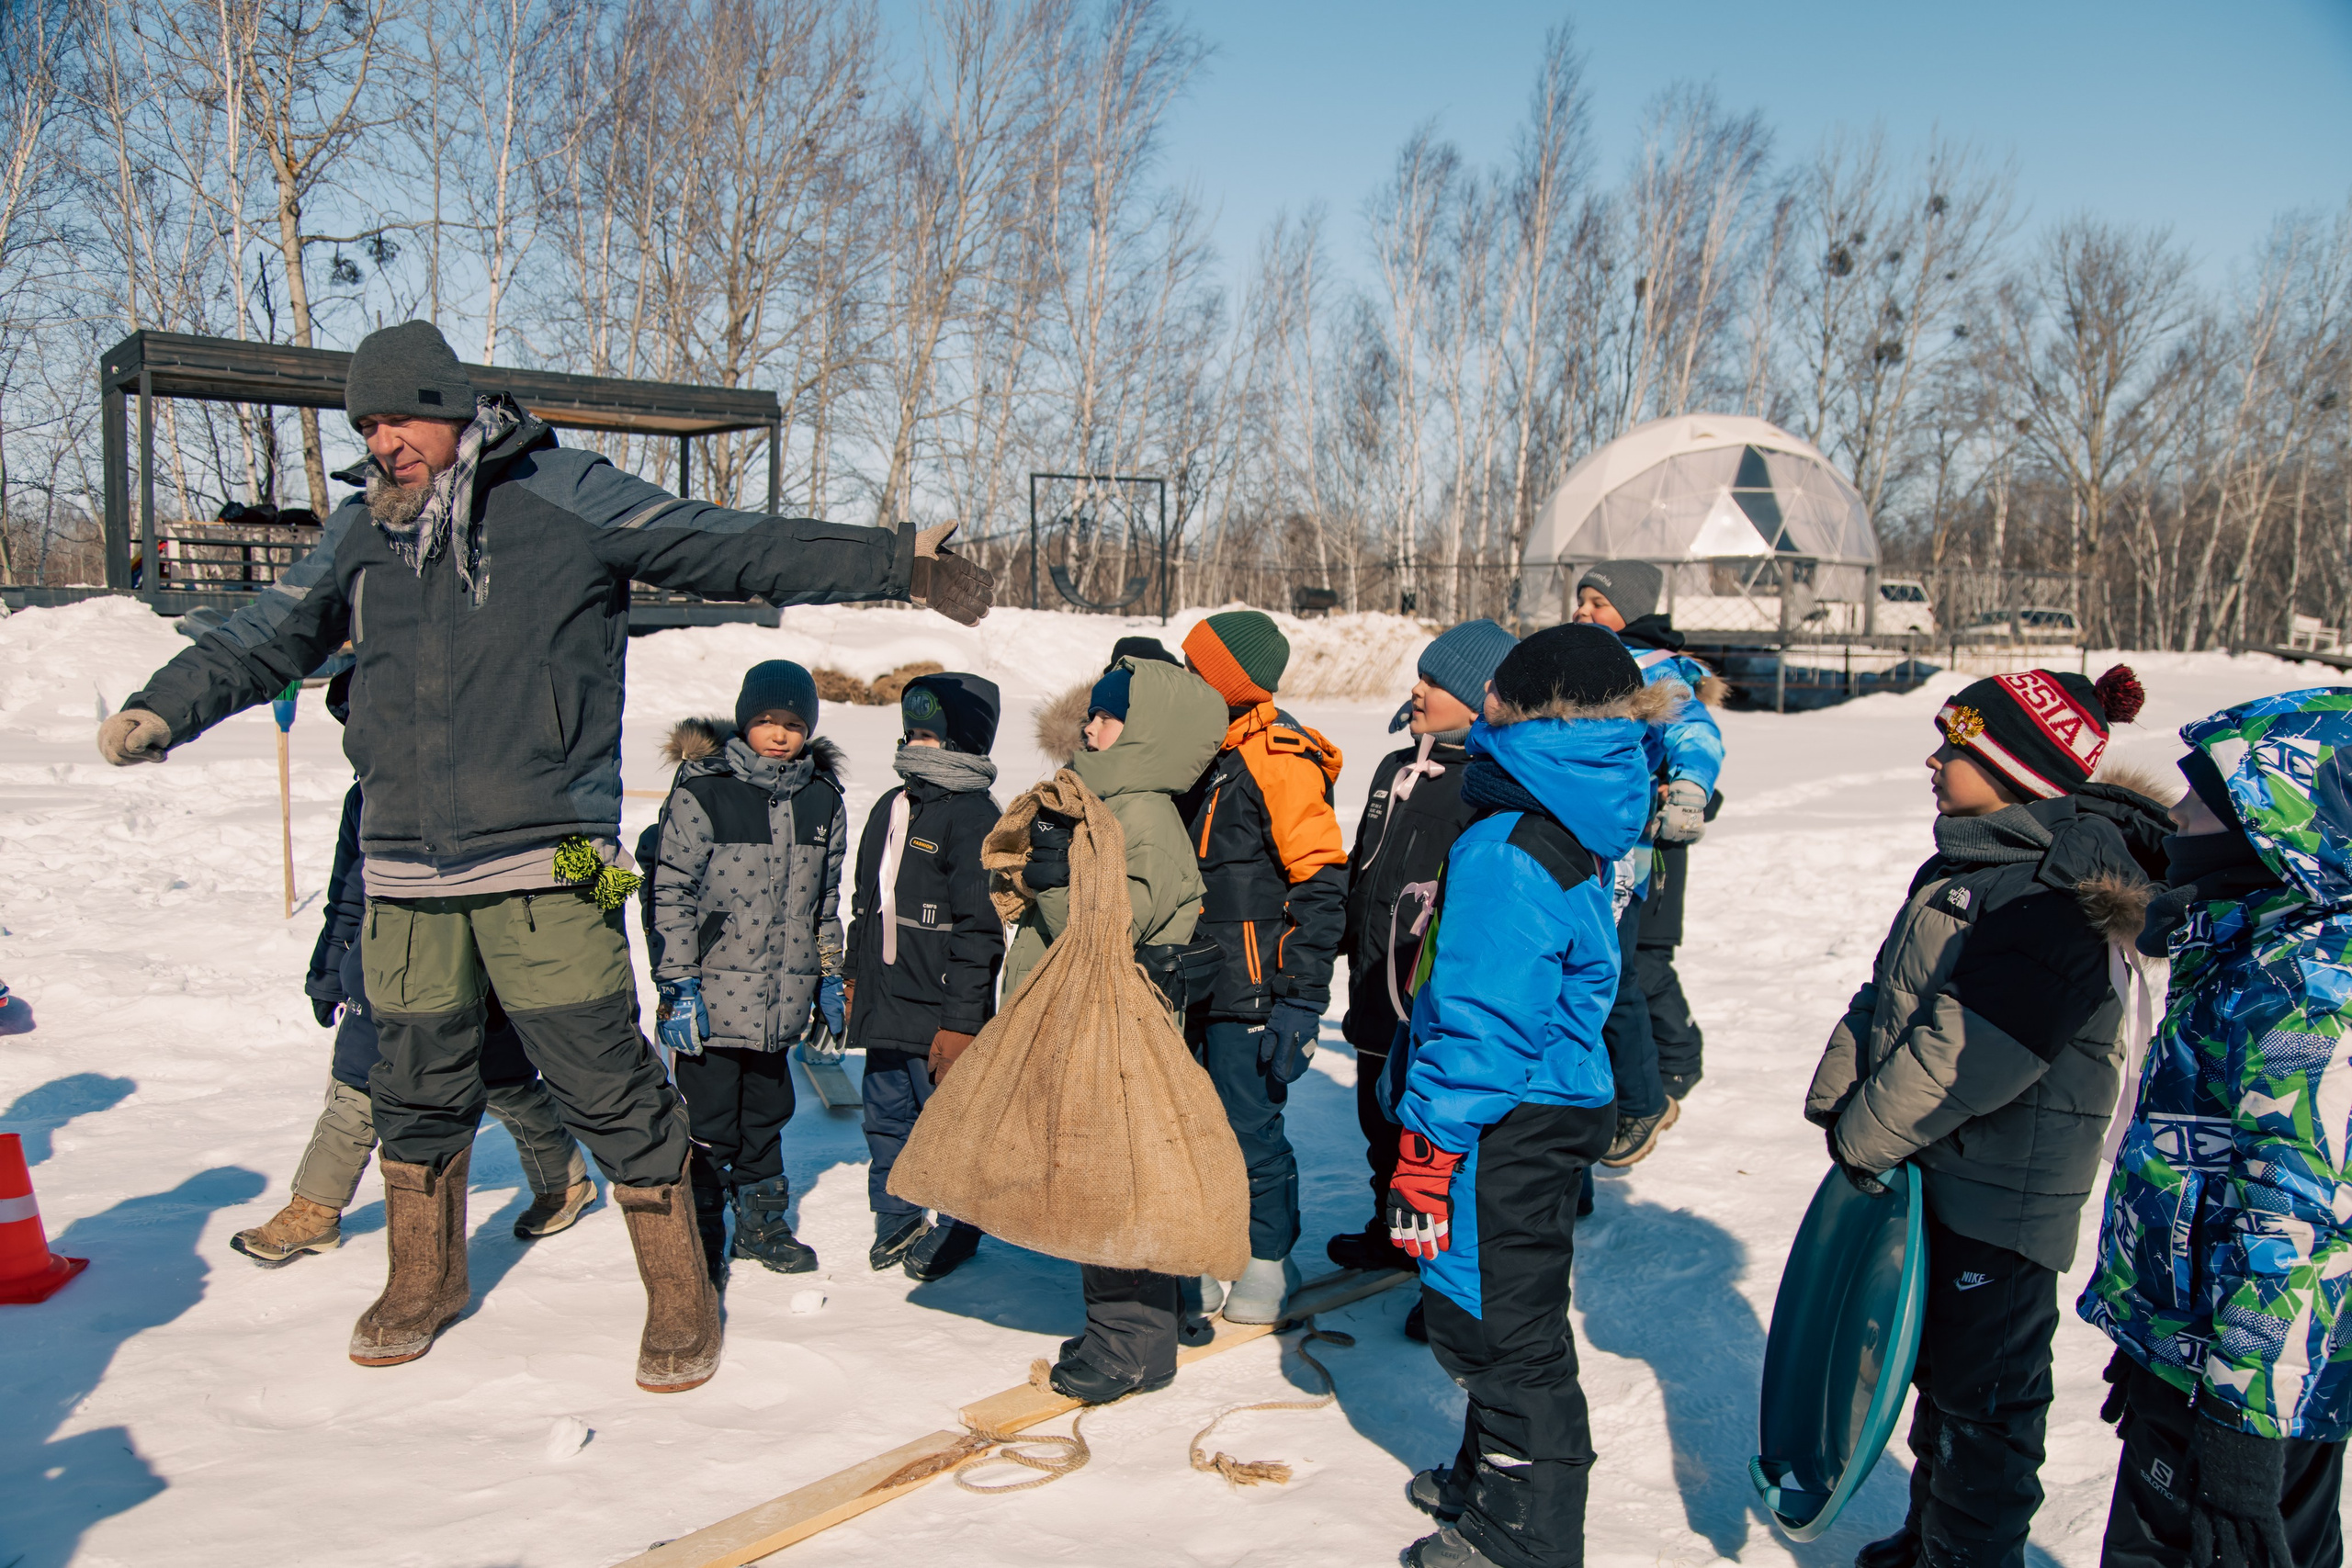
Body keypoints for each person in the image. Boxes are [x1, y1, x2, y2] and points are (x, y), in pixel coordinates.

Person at [95, 319, 991, 1394]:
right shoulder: (361, 532)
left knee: (606, 1075)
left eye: (398, 419)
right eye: (366, 426)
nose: (384, 444)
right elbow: (265, 632)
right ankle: (421, 1279)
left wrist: (895, 558)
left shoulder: (563, 496)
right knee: (412, 1080)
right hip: (404, 869)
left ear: (450, 404)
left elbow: (721, 539)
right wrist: (163, 705)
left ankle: (677, 1290)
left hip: (551, 856)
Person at [1807, 665, 2165, 1568]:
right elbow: (1888, 997)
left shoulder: (2056, 902)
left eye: (1956, 745)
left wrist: (1864, 1132)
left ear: (2015, 768)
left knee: (1986, 1407)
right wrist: (1837, 1089)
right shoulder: (1966, 864)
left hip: (2004, 1200)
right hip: (1940, 1174)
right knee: (1936, 1381)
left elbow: (1967, 1053)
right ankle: (1932, 1540)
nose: (1934, 760)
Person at [1383, 624, 1669, 1568]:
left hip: (1500, 1118)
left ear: (1522, 706)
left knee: (1497, 1328)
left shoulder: (1508, 846)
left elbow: (1482, 1027)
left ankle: (1524, 1537)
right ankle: (1487, 1478)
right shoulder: (1568, 816)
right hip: (1540, 1104)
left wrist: (1427, 1149)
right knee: (1502, 1309)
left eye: (1496, 685)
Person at [2080, 688, 2352, 1568]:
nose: (2181, 812)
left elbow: (2298, 1226)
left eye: (2208, 796)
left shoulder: (2309, 991)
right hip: (2204, 1360)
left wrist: (2242, 1437)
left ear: (2276, 826)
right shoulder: (2250, 947)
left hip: (2248, 1396)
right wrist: (2157, 1336)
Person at [237, 745, 594, 1267]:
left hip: (486, 969)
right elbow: (349, 887)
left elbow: (591, 885)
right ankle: (312, 1210)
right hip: (383, 966)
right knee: (357, 1086)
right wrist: (329, 969)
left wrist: (583, 968)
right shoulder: (367, 796)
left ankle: (564, 1183)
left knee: (505, 1088)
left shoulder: (517, 785)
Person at [1008, 655, 1228, 1402]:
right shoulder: (1104, 808)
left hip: (1116, 1034)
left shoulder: (1144, 823)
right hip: (1084, 1023)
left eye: (1104, 717)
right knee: (1098, 1180)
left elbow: (1108, 935)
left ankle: (1132, 1345)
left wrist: (1055, 887)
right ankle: (1128, 1328)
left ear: (1146, 734)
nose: (1088, 727)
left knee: (1118, 1188)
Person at [1328, 618, 1518, 1278]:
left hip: (1427, 996)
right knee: (1376, 1120)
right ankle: (1390, 1226)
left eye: (1435, 682)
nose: (1416, 689)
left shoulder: (1487, 786)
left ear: (1481, 699)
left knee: (1426, 1132)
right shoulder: (1394, 767)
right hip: (1373, 983)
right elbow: (1368, 864)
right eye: (1421, 674)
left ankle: (1439, 1264)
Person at [645, 660, 845, 1284]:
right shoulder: (705, 791)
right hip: (709, 998)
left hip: (779, 1005)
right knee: (707, 1124)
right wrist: (677, 984)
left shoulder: (822, 800)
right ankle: (702, 1231)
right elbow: (671, 893)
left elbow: (825, 902)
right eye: (766, 720)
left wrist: (829, 976)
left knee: (765, 1116)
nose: (780, 733)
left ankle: (761, 1226)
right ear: (744, 721)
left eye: (792, 722)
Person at [1175, 610, 1347, 1325]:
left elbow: (1322, 879)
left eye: (1197, 670)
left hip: (1251, 987)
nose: (1186, 681)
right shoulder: (1199, 752)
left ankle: (1270, 1256)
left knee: (1249, 1127)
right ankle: (1217, 1247)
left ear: (1228, 682)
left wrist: (1300, 997)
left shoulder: (1277, 757)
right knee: (1193, 1127)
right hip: (1192, 980)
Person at [843, 672, 1005, 1281]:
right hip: (886, 999)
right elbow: (867, 902)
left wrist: (962, 1024)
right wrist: (855, 977)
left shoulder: (974, 815)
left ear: (962, 742)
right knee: (885, 1113)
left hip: (940, 1011)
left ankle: (963, 1222)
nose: (915, 746)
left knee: (954, 1123)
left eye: (930, 736)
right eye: (911, 733)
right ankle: (897, 1208)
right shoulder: (891, 805)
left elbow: (980, 930)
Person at [1570, 560, 1725, 1167]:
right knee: (1615, 964)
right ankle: (1627, 1082)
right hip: (1597, 834)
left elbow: (1695, 732)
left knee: (1627, 966)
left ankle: (1658, 1081)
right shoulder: (1590, 661)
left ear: (1629, 612)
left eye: (1599, 601)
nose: (1584, 610)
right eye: (1581, 599)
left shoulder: (1651, 670)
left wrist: (1690, 788)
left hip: (1637, 846)